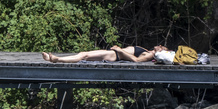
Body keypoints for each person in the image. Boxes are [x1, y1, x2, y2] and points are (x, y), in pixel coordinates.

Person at [41, 45, 171, 63]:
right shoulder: (147, 51)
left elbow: (136, 60)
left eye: (161, 47)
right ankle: (57, 58)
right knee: (83, 54)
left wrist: (120, 50)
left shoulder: (149, 55)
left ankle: (56, 59)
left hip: (114, 55)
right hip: (114, 53)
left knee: (84, 56)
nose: (159, 45)